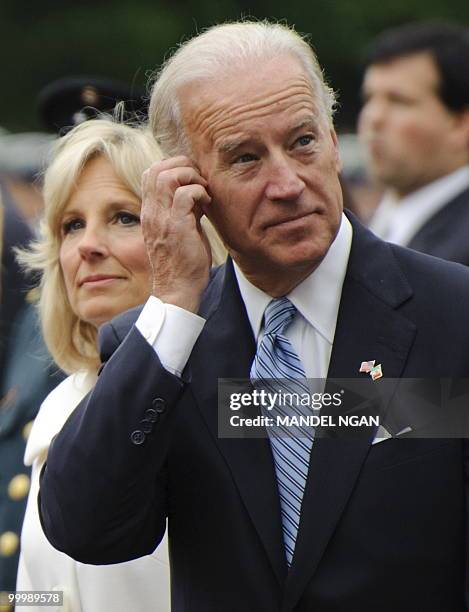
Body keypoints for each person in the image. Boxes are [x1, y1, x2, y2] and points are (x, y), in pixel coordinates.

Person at [39, 21, 469, 611]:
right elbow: (87, 526)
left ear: (335, 142)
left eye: (302, 142)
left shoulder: (454, 314)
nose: (288, 183)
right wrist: (171, 308)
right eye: (245, 158)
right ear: (187, 183)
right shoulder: (167, 344)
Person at [16, 116, 225, 612]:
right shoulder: (60, 404)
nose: (87, 246)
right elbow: (40, 595)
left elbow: (421, 413)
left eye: (124, 217)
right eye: (72, 225)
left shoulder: (238, 393)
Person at [358, 21, 469, 263]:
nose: (373, 118)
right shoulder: (367, 226)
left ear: (461, 123)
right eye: (369, 98)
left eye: (399, 101)